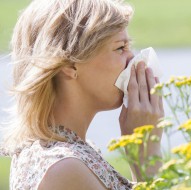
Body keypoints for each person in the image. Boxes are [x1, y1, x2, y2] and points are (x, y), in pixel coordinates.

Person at [0, 0, 164, 189]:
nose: (133, 60)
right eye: (120, 48)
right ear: (69, 65)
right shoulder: (64, 168)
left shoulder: (67, 153)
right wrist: (146, 153)